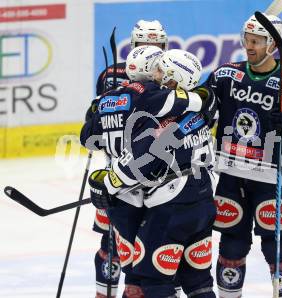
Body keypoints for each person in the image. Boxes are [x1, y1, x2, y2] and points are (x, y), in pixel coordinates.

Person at [85, 49, 217, 297]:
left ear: (172, 81)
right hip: (203, 200)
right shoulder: (199, 109)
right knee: (198, 281)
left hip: (171, 205)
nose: (153, 75)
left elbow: (140, 163)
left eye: (159, 71)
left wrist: (107, 184)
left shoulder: (162, 118)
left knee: (153, 280)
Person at [205, 13, 282, 297]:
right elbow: (201, 111)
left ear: (273, 45)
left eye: (256, 41)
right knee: (231, 245)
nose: (249, 46)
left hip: (275, 175)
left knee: (278, 247)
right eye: (247, 40)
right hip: (231, 173)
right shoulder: (224, 75)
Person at [91, 20, 169, 298]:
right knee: (111, 241)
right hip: (118, 172)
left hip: (155, 178)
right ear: (133, 46)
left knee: (150, 246)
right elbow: (96, 124)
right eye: (144, 46)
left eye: (157, 46)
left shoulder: (171, 74)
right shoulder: (111, 76)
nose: (152, 52)